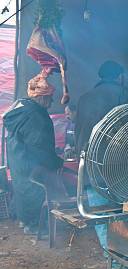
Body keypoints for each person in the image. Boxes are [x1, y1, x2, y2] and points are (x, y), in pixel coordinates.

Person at [76, 60, 128, 269]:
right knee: (124, 212)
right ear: (120, 76)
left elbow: (79, 133)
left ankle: (115, 266)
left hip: (92, 164)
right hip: (121, 164)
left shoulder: (84, 99)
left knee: (101, 214)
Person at [3, 74, 64, 235]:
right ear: (42, 98)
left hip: (18, 159)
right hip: (32, 163)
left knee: (23, 188)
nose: (51, 103)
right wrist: (56, 161)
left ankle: (25, 221)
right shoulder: (36, 115)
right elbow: (39, 147)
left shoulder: (21, 106)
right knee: (35, 191)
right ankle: (36, 226)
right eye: (50, 98)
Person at [75, 60, 128, 155]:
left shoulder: (84, 98)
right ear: (120, 77)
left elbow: (78, 130)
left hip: (87, 154)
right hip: (116, 157)